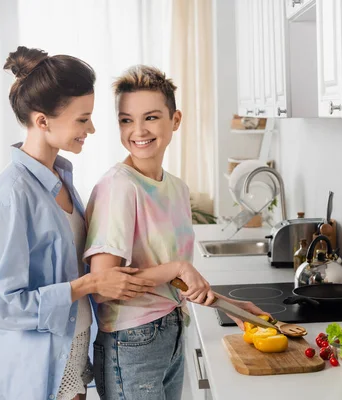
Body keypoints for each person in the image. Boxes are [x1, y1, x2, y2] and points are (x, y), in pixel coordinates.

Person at [0, 46, 157, 400]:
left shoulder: (63, 178)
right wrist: (88, 284)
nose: (93, 128)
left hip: (74, 348)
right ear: (42, 121)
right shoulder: (10, 198)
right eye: (82, 119)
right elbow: (5, 307)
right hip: (38, 365)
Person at [84, 65, 268, 400]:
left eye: (151, 117)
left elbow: (172, 282)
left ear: (176, 120)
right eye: (126, 120)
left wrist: (229, 305)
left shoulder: (177, 189)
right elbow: (103, 285)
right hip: (130, 341)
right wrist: (178, 268)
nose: (138, 130)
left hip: (169, 330)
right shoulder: (118, 187)